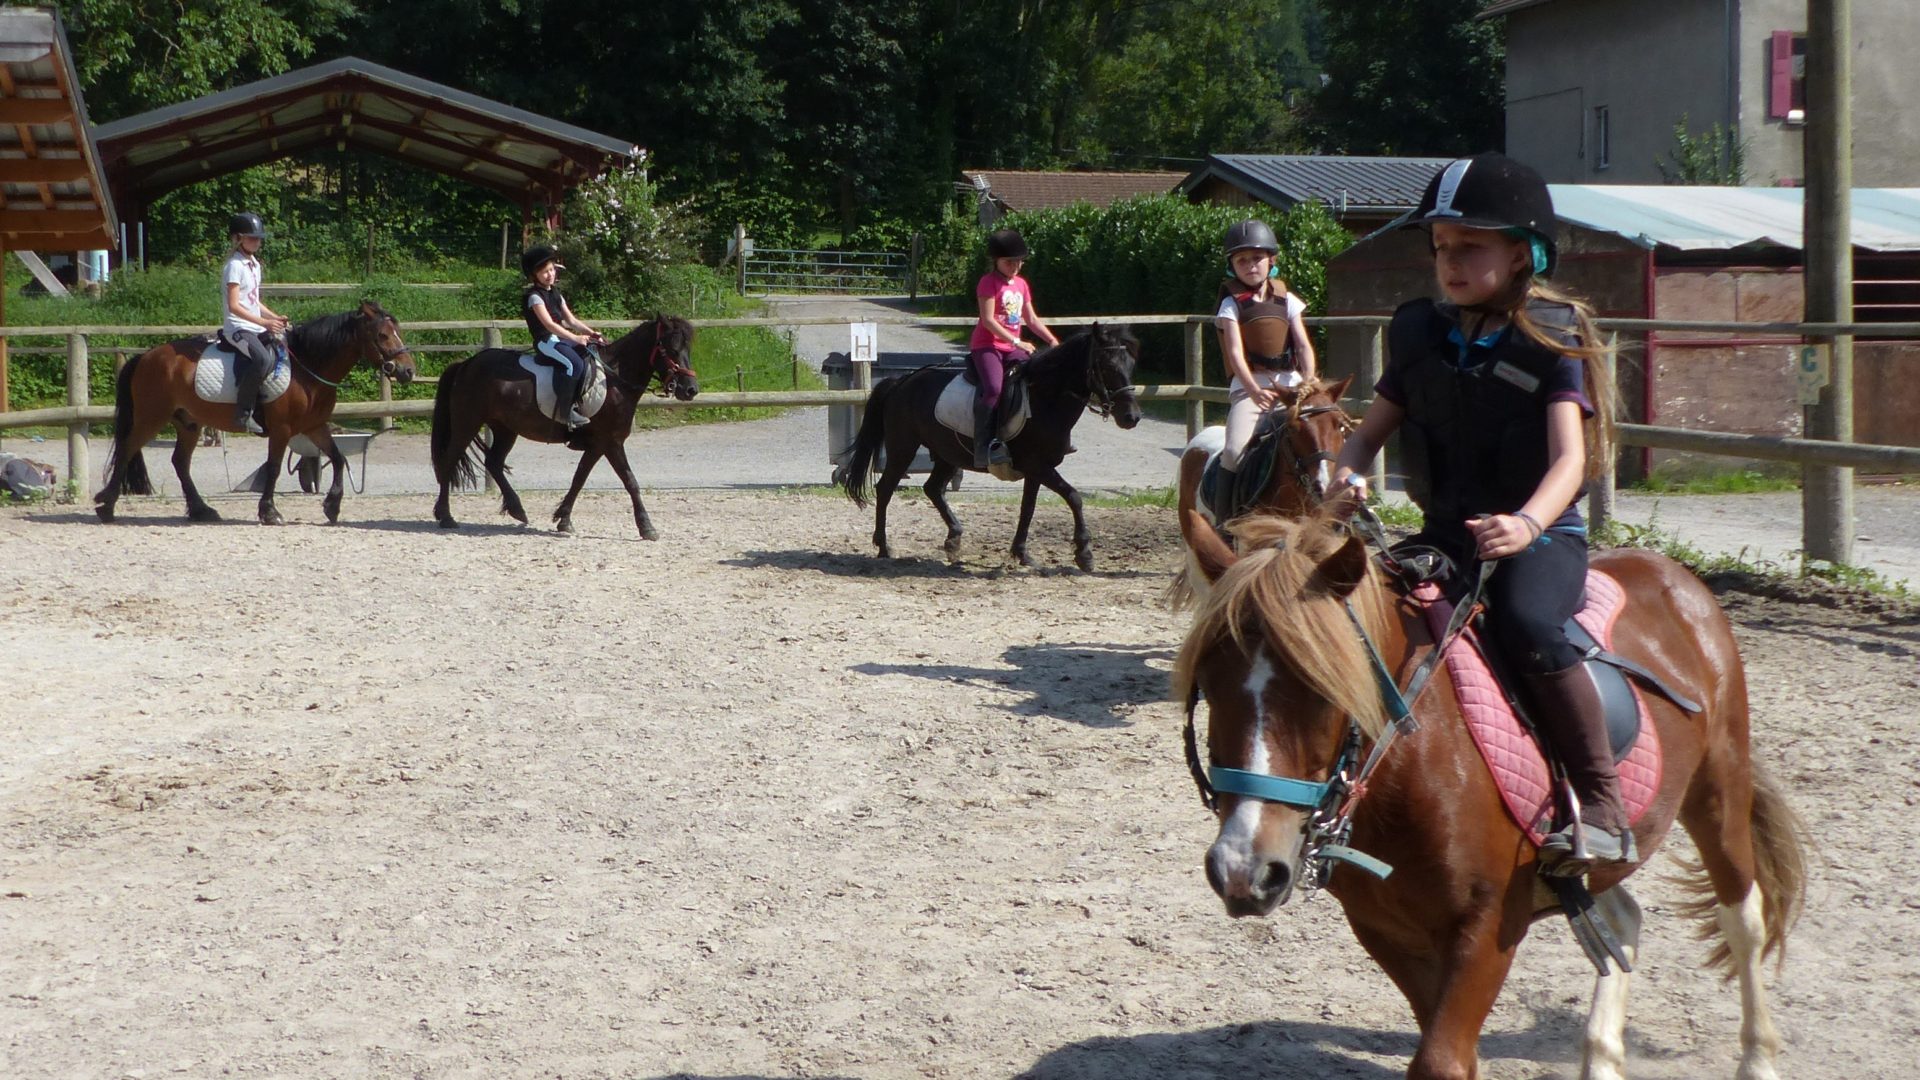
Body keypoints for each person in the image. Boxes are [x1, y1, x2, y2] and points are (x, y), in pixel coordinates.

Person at [1328, 152, 1626, 872]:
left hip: (1539, 538)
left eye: (1470, 247)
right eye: (1440, 248)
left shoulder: (1553, 337)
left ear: (1523, 254)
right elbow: (1368, 430)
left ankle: (1603, 802)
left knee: (1528, 624)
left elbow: (1570, 462)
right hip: (1444, 533)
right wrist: (1343, 472)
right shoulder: (1417, 334)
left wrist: (1525, 524)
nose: (1449, 262)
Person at [1211, 218, 1318, 522]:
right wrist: (1254, 390)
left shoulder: (1288, 300)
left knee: (1325, 435)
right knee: (1233, 451)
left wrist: (1309, 380)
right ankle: (1225, 520)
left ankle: (1345, 509)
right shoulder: (1231, 305)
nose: (1250, 265)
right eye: (1241, 260)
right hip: (1250, 388)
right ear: (1233, 265)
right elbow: (1234, 353)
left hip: (1293, 386)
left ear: (1271, 260)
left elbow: (1303, 346)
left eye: (1257, 258)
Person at [968, 228, 1059, 468]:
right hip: (987, 345)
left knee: (1038, 378)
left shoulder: (1021, 284)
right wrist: (1017, 341)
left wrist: (1052, 341)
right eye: (1010, 262)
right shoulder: (988, 283)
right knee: (994, 389)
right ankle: (984, 445)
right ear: (996, 261)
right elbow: (988, 320)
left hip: (1011, 347)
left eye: (1019, 261)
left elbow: (1031, 319)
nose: (1016, 266)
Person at [220, 212, 290, 435]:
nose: (257, 242)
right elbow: (234, 306)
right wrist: (264, 322)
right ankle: (243, 414)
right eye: (253, 238)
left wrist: (274, 317)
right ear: (239, 238)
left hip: (255, 326)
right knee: (261, 358)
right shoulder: (234, 266)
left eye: (259, 238)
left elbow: (253, 301)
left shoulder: (255, 265)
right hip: (238, 328)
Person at [521, 244, 603, 428]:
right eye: (544, 272)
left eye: (551, 270)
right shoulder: (534, 297)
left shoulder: (556, 293)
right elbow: (549, 325)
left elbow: (571, 320)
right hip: (545, 342)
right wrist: (575, 339)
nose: (550, 275)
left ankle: (580, 400)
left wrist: (591, 333)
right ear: (535, 275)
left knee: (589, 352)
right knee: (573, 364)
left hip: (559, 339)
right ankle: (565, 412)